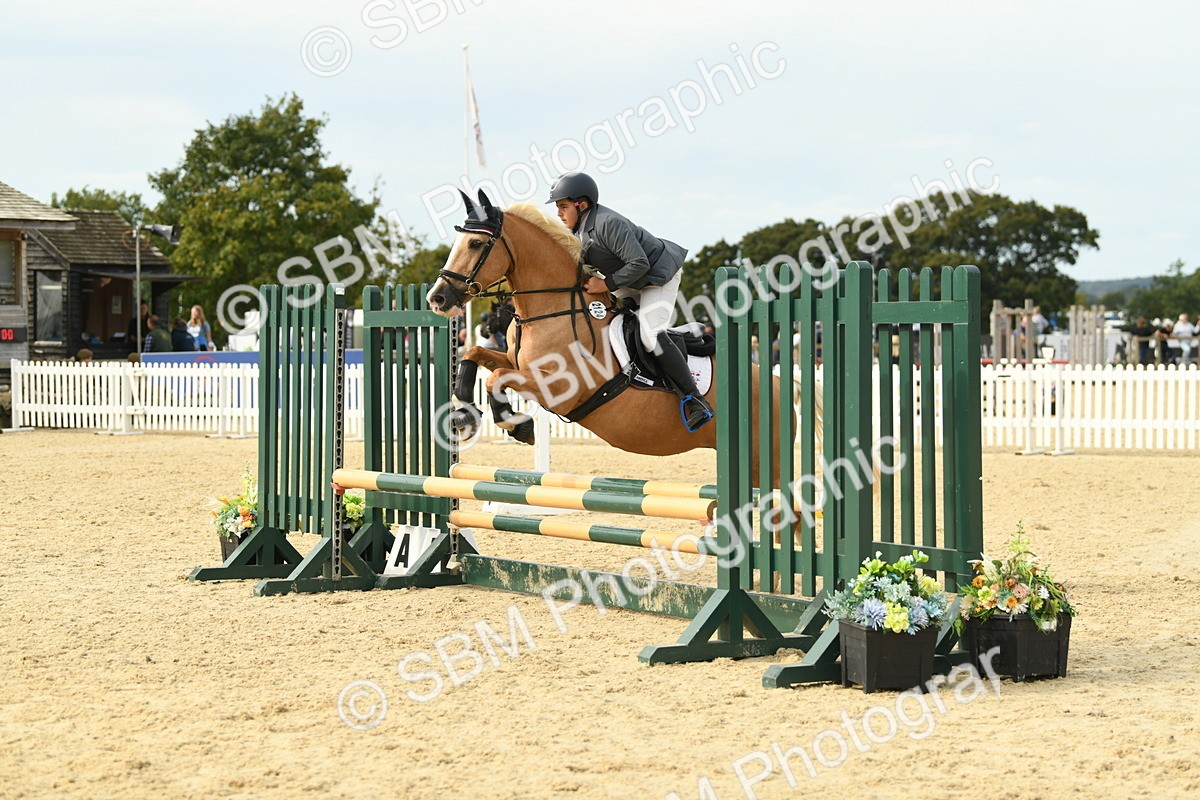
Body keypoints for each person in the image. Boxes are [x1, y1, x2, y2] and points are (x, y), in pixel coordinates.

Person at [546, 171, 713, 431]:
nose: (559, 213)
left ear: (582, 204)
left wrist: (605, 284)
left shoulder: (607, 223)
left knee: (650, 334)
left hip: (658, 276)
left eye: (563, 206)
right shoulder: (578, 231)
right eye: (558, 207)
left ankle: (695, 400)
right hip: (632, 280)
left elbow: (639, 263)